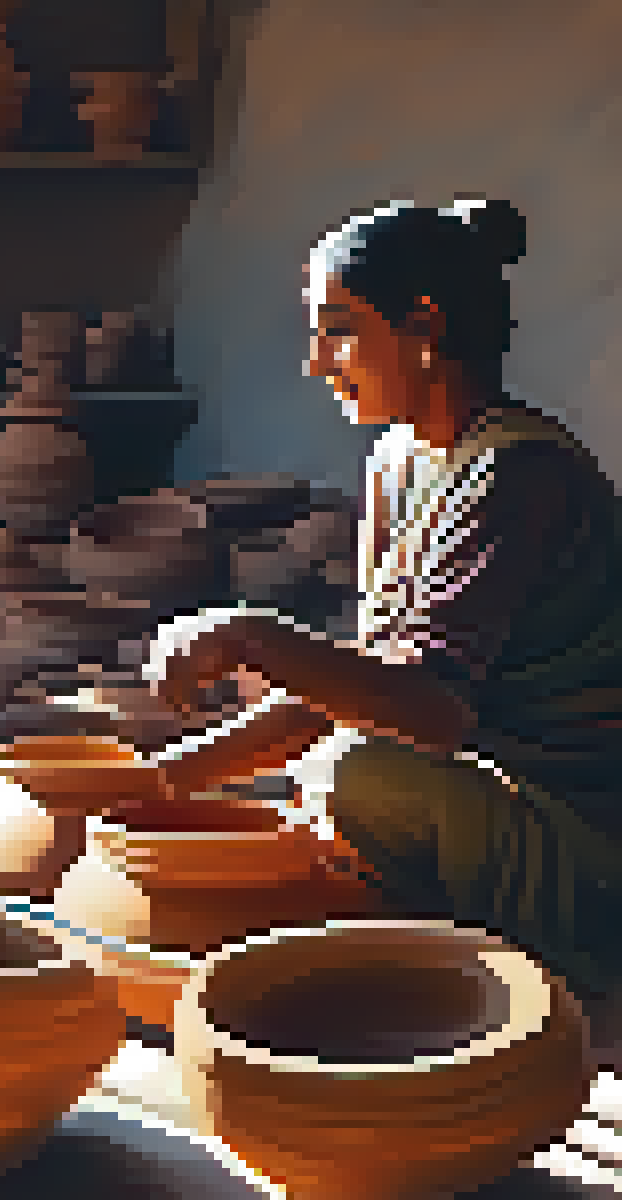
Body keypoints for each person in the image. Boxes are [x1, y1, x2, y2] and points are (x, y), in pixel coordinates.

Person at [141, 194, 622, 1020]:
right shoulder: (398, 463)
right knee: (319, 773)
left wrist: (251, 636)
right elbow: (365, 686)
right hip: (495, 809)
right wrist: (159, 782)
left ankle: (542, 979)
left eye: (340, 329)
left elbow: (428, 710)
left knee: (352, 776)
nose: (319, 361)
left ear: (424, 326)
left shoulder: (514, 477)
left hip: (585, 846)